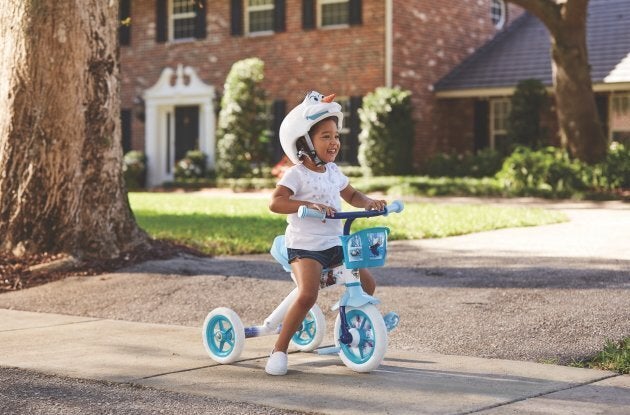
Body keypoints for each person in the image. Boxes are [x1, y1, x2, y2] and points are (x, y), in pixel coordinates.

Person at [266, 91, 386, 375]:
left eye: (336, 136)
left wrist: (369, 203)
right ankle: (278, 350)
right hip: (305, 247)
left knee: (367, 284)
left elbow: (352, 194)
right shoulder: (297, 174)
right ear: (305, 142)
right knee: (307, 295)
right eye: (325, 136)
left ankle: (347, 323)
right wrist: (306, 204)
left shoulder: (332, 171)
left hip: (334, 243)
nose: (334, 142)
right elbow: (276, 202)